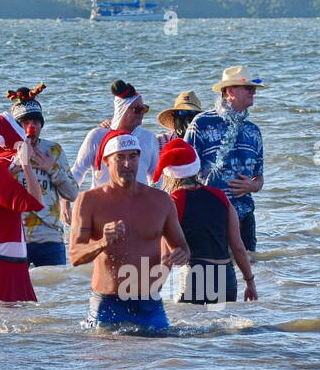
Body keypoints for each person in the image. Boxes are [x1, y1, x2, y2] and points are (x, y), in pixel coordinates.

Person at [69, 130, 190, 332]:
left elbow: (183, 248)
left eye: (132, 157)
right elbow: (74, 256)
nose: (127, 164)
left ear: (139, 159)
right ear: (106, 162)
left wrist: (180, 256)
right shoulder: (88, 201)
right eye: (120, 158)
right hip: (108, 304)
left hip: (149, 303)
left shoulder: (161, 201)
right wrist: (102, 243)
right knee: (108, 361)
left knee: (163, 359)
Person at [157, 139, 256, 305]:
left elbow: (167, 256)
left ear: (169, 173)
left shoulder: (172, 202)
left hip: (196, 277)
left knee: (190, 328)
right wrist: (250, 282)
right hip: (227, 278)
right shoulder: (221, 197)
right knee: (223, 328)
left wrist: (152, 293)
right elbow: (238, 247)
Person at [184, 66, 265, 251]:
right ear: (229, 91)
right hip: (209, 216)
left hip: (245, 216)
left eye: (254, 88)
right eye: (248, 88)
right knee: (212, 275)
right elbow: (183, 171)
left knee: (248, 270)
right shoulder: (201, 123)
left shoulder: (253, 130)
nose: (253, 92)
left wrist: (252, 186)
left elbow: (259, 178)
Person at [0, 113, 45, 302]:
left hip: (6, 260)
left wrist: (11, 169)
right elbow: (36, 202)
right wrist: (27, 165)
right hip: (3, 264)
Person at [6, 84, 79, 268]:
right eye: (25, 123)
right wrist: (18, 162)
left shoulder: (53, 150)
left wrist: (52, 168)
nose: (31, 127)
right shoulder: (5, 152)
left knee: (55, 289)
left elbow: (73, 194)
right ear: (16, 125)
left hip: (50, 236)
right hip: (16, 236)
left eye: (35, 122)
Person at [70, 80, 161, 188]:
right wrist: (67, 201)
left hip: (137, 202)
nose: (142, 113)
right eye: (137, 109)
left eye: (144, 109)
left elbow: (156, 177)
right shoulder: (97, 135)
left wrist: (154, 200)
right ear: (122, 110)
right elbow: (77, 171)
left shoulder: (149, 138)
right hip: (101, 201)